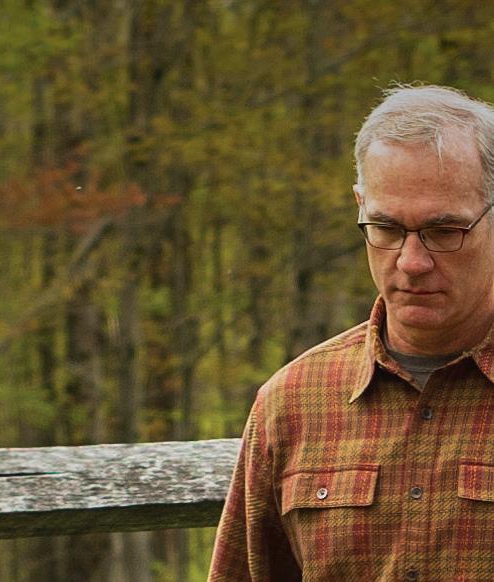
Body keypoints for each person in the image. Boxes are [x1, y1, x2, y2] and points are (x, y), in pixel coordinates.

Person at [208, 84, 494, 581]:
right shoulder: (293, 404)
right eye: (386, 229)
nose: (411, 262)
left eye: (445, 232)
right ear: (360, 206)